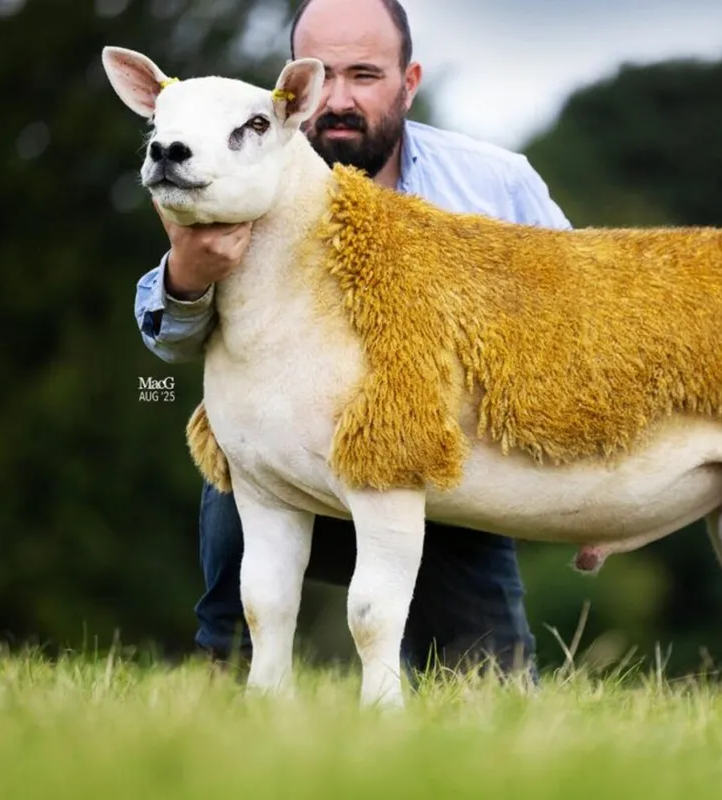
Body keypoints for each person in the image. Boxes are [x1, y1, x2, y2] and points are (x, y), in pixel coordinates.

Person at [133, 0, 572, 678]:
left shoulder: (493, 182)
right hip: (290, 460)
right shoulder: (240, 167)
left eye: (364, 75)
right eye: (323, 76)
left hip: (457, 481)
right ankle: (228, 676)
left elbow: (578, 326)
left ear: (409, 80)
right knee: (234, 460)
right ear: (295, 85)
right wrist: (187, 279)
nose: (337, 100)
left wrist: (590, 481)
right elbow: (169, 346)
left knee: (491, 686)